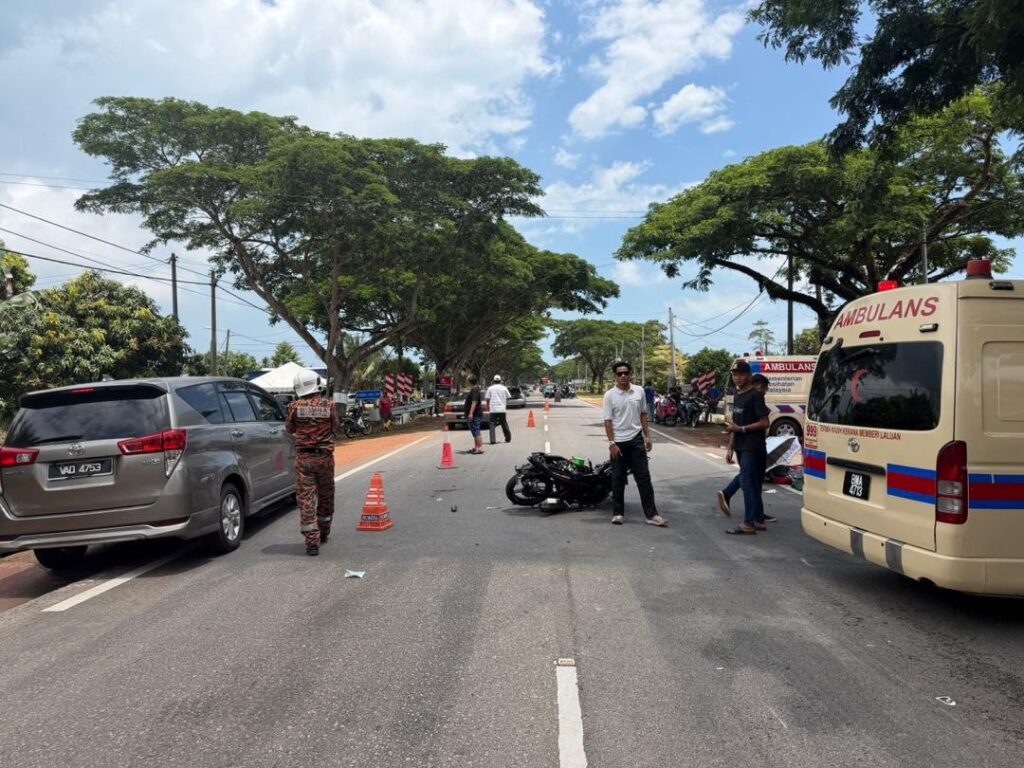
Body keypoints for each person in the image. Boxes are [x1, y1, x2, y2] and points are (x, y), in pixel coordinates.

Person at [602, 361, 666, 527]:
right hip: (618, 443)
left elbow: (643, 414)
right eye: (619, 374)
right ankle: (618, 513)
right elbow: (608, 421)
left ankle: (652, 515)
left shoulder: (639, 391)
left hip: (636, 440)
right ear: (615, 376)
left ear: (630, 374)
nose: (623, 376)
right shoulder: (609, 395)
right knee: (618, 478)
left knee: (643, 477)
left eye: (626, 373)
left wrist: (648, 436)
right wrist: (611, 443)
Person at [285, 370, 340, 556]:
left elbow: (290, 428)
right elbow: (336, 427)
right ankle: (324, 532)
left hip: (304, 460)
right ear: (316, 383)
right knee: (326, 495)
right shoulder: (329, 405)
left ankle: (311, 541)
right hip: (325, 458)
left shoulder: (294, 407)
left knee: (306, 499)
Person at [717, 360, 771, 535]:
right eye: (734, 375)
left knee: (748, 483)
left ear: (748, 376)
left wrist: (742, 429)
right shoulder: (736, 396)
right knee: (753, 482)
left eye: (741, 374)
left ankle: (748, 523)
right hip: (740, 445)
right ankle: (758, 520)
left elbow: (765, 422)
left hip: (753, 446)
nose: (737, 378)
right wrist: (730, 447)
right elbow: (734, 425)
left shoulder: (756, 396)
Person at [485, 374, 512, 444]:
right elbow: (508, 397)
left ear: (493, 381)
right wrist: (504, 403)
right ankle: (508, 438)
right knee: (504, 423)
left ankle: (492, 440)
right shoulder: (504, 388)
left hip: (493, 409)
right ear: (500, 381)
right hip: (502, 409)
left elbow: (487, 399)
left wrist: (487, 407)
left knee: (492, 425)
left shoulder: (490, 388)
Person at [464, 374, 484, 454]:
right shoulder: (475, 389)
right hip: (474, 414)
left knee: (476, 430)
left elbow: (474, 402)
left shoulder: (475, 390)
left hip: (475, 414)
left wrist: (471, 413)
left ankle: (480, 448)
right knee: (474, 431)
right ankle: (476, 447)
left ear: (469, 382)